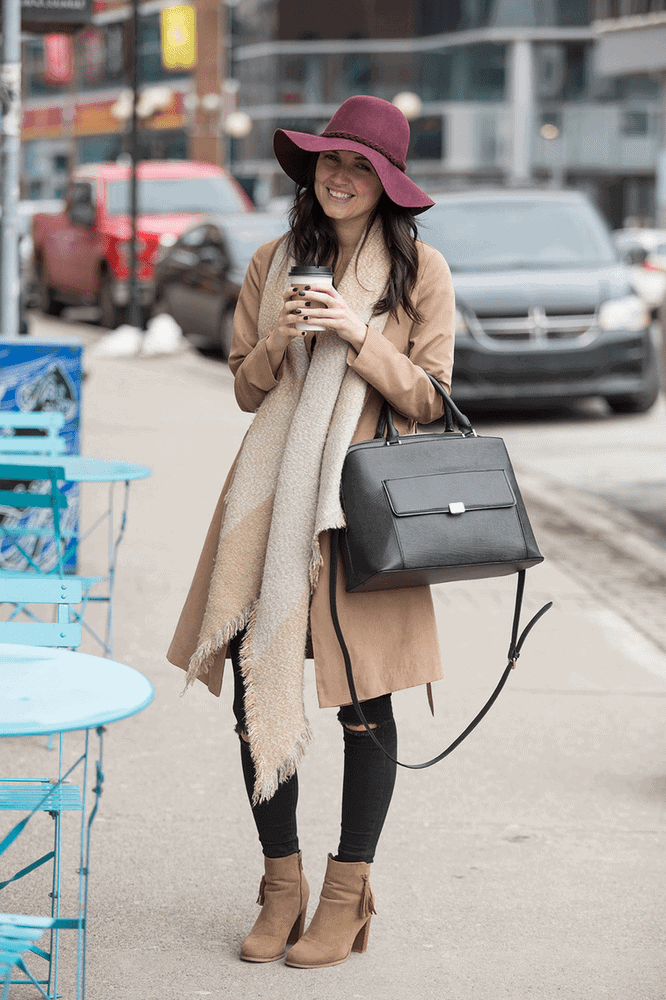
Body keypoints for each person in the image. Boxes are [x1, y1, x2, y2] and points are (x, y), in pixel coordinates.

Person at [167, 94, 455, 969]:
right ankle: (279, 884)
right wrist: (277, 340)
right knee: (260, 688)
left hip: (360, 513)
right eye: (331, 161)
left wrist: (358, 335)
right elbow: (248, 390)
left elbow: (434, 400)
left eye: (361, 167)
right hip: (269, 508)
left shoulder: (423, 273)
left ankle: (346, 892)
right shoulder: (272, 260)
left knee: (364, 702)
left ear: (388, 186)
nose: (340, 177)